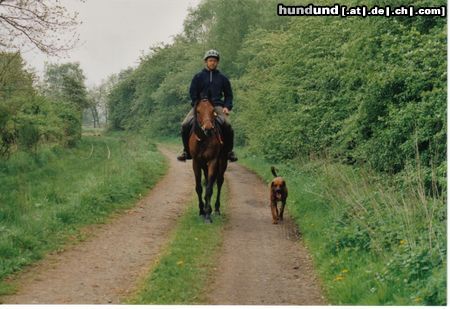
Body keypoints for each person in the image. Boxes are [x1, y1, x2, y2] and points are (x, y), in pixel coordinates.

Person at [177, 49, 238, 162]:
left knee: (228, 125)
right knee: (185, 124)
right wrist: (197, 103)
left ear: (217, 62)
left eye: (214, 61)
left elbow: (229, 95)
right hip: (200, 106)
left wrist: (227, 106)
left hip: (217, 106)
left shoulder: (223, 78)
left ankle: (229, 152)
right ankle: (186, 151)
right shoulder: (198, 77)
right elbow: (192, 92)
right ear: (206, 62)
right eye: (210, 60)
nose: (212, 63)